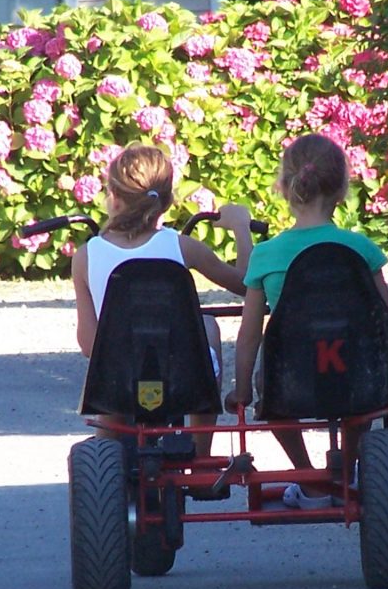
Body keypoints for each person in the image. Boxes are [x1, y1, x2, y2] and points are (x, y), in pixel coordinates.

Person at [225, 133, 388, 509]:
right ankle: (348, 465)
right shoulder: (361, 248)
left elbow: (249, 337)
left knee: (267, 393)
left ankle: (309, 478)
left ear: (284, 188)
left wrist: (242, 392)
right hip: (358, 373)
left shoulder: (266, 255)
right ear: (342, 190)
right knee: (362, 402)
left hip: (292, 378)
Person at [71, 143, 253, 454]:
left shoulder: (86, 256)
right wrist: (241, 228)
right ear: (167, 201)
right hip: (184, 373)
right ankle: (200, 448)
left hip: (118, 379)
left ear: (112, 196)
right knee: (207, 325)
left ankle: (106, 449)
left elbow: (90, 345)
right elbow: (247, 285)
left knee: (109, 355)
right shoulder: (183, 247)